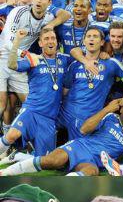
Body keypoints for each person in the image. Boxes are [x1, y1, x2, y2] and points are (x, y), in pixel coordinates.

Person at [1, 95, 123, 176]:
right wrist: (107, 109)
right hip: (79, 147)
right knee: (53, 162)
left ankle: (20, 156)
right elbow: (84, 129)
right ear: (121, 108)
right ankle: (7, 172)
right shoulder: (110, 117)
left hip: (93, 161)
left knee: (91, 172)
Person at [0, 28, 71, 162]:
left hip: (49, 118)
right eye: (46, 39)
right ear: (40, 43)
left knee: (42, 160)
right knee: (11, 136)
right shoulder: (34, 59)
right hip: (31, 110)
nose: (50, 41)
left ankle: (19, 156)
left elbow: (78, 53)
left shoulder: (64, 59)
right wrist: (17, 41)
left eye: (53, 38)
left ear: (57, 42)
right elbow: (11, 64)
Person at [60, 26, 123, 140]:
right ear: (84, 41)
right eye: (88, 36)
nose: (91, 39)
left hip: (87, 118)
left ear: (102, 42)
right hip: (65, 114)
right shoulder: (75, 65)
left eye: (95, 36)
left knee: (76, 153)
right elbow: (65, 90)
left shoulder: (112, 64)